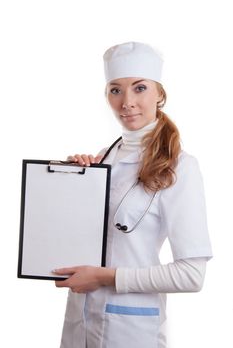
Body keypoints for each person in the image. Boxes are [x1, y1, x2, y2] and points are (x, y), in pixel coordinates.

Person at [53, 41, 213, 348]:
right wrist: (69, 183)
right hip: (79, 321)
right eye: (115, 90)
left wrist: (105, 277)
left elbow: (192, 275)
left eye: (139, 88)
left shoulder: (180, 167)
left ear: (160, 94)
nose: (127, 101)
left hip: (131, 328)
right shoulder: (103, 158)